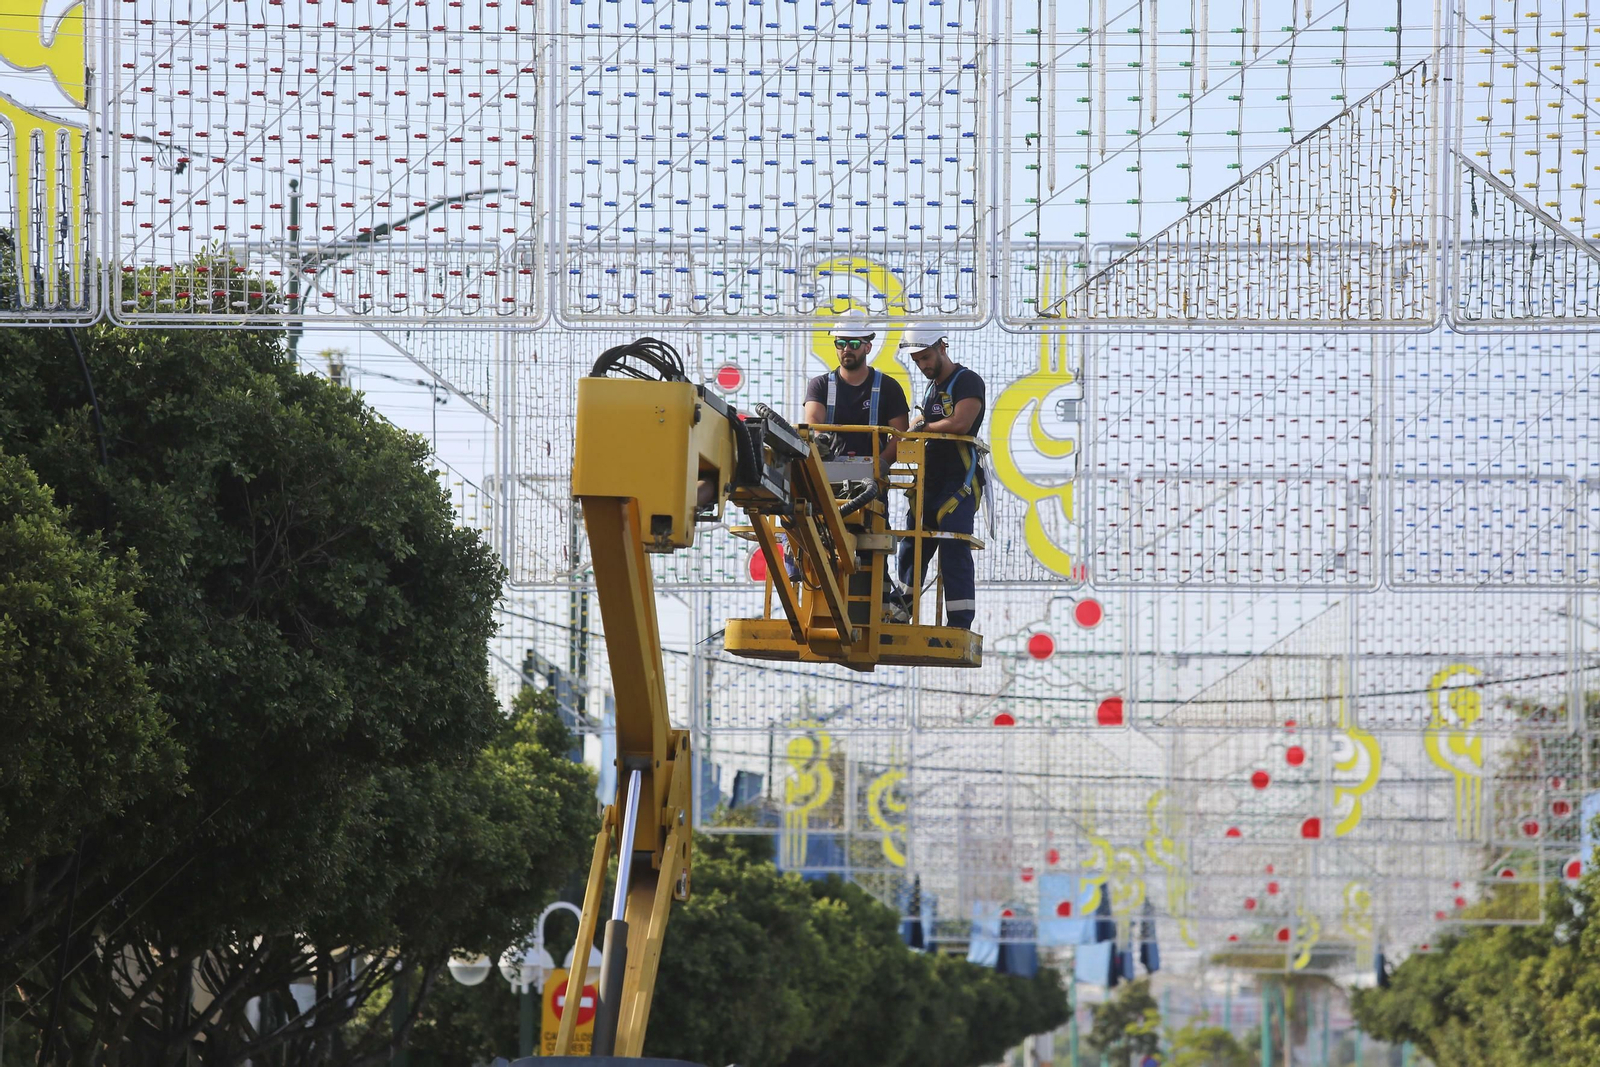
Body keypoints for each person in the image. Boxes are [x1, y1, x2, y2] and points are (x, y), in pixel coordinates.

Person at [896, 328, 985, 630]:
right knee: (912, 545)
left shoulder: (967, 381)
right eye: (917, 360)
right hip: (930, 480)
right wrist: (907, 433)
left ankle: (959, 623)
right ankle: (900, 609)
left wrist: (924, 429)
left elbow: (961, 422)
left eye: (925, 357)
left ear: (941, 347)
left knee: (953, 546)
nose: (922, 365)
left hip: (959, 482)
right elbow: (923, 421)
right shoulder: (932, 389)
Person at [802, 309, 910, 469]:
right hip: (827, 478)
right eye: (841, 343)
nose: (846, 349)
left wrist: (881, 464)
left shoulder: (888, 387)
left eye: (853, 343)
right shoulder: (820, 385)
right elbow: (813, 422)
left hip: (873, 481)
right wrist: (819, 442)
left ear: (868, 347)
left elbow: (901, 434)